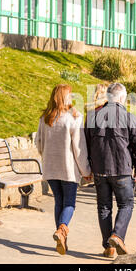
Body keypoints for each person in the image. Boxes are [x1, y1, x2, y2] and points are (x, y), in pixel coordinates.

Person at [85, 83, 136, 258]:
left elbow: (86, 145)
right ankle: (117, 235)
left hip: (100, 170)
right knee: (126, 204)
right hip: (121, 169)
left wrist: (88, 167)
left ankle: (109, 247)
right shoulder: (129, 117)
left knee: (104, 207)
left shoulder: (92, 116)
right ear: (121, 98)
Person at [35, 84, 92, 255]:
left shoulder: (45, 118)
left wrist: (46, 155)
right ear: (65, 98)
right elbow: (79, 148)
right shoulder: (74, 117)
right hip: (68, 169)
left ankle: (61, 239)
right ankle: (62, 231)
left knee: (58, 201)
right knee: (69, 203)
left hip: (51, 168)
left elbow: (38, 143)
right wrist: (86, 171)